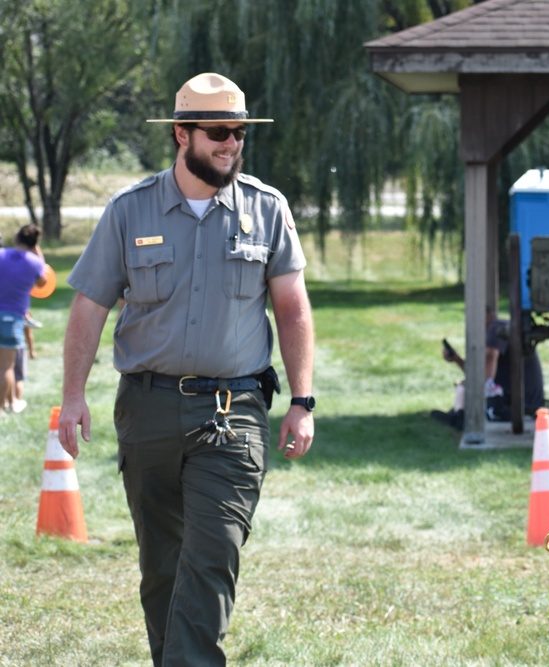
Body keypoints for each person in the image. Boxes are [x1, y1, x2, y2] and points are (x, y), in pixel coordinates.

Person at [57, 72, 316, 666]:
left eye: (240, 133)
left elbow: (293, 309)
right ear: (181, 134)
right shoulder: (129, 210)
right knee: (163, 568)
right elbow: (89, 305)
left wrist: (302, 401)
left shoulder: (265, 209)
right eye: (219, 132)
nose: (232, 144)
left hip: (233, 414)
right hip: (146, 406)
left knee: (211, 556)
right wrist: (74, 396)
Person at [432, 308, 548, 429]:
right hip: (527, 400)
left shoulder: (496, 328)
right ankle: (458, 414)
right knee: (466, 387)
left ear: (485, 315)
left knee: (464, 386)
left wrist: (472, 386)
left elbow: (489, 362)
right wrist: (456, 359)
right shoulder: (501, 327)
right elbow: (480, 373)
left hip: (519, 402)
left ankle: (460, 417)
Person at [0, 224, 48, 415]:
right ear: (34, 243)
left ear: (16, 238)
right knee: (6, 367)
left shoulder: (2, 254)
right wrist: (37, 252)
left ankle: (8, 403)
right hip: (11, 320)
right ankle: (3, 406)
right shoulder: (34, 264)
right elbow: (43, 282)